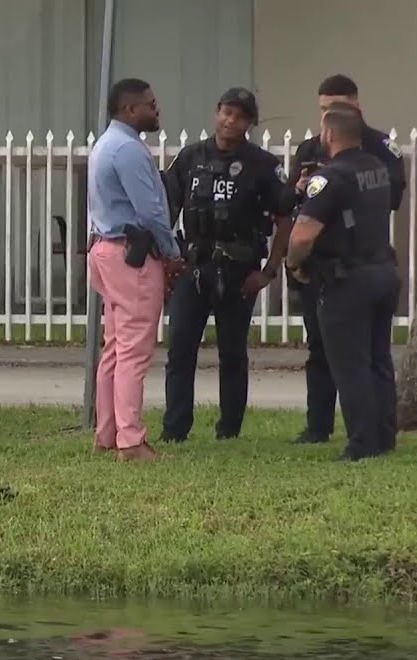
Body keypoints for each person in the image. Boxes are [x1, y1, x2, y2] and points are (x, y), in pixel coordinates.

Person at [160, 88, 297, 442]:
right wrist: (168, 258)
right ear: (216, 112)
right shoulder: (191, 157)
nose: (230, 121)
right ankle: (175, 429)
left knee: (233, 354)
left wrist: (269, 271)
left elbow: (285, 218)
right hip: (195, 267)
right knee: (180, 350)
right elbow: (167, 209)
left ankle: (229, 429)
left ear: (249, 123)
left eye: (239, 116)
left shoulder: (263, 165)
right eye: (225, 112)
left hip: (240, 271)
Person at [287, 74, 406, 445]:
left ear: (330, 134)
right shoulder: (375, 168)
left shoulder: (331, 177)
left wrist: (294, 264)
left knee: (350, 364)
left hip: (346, 278)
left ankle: (362, 442)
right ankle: (383, 435)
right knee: (377, 359)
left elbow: (303, 234)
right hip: (381, 270)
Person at [86, 78, 186, 462]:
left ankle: (108, 433)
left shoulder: (106, 144)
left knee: (115, 347)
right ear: (130, 110)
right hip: (132, 255)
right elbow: (150, 211)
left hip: (106, 249)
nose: (156, 109)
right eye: (150, 104)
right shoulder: (128, 150)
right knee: (133, 351)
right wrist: (172, 252)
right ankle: (131, 441)